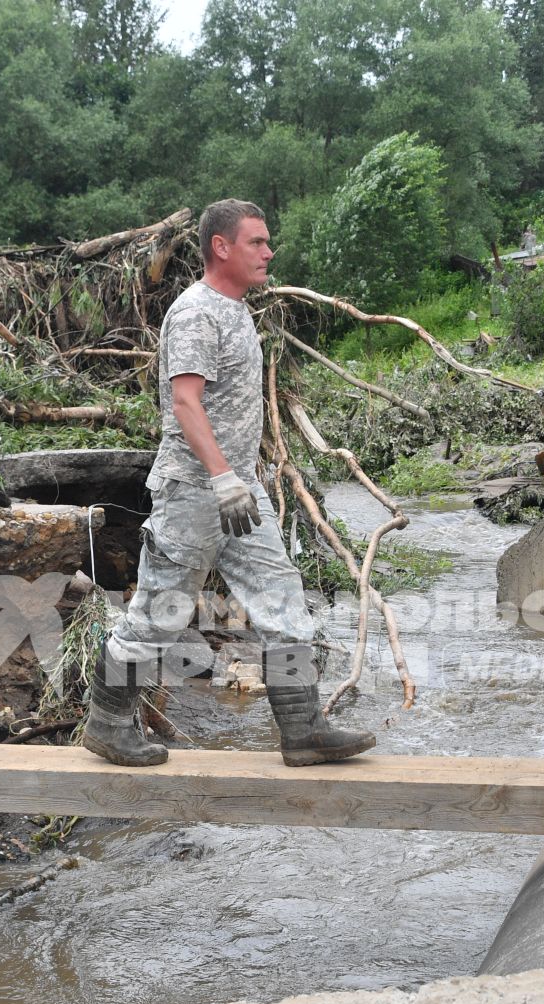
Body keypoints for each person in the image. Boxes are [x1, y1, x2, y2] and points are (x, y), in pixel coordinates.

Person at [83, 199, 377, 768]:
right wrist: (221, 479)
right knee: (161, 611)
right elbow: (185, 401)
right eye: (257, 242)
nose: (269, 252)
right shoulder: (197, 312)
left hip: (240, 492)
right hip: (196, 492)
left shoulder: (237, 309)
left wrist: (239, 481)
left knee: (282, 599)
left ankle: (303, 729)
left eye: (267, 243)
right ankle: (108, 722)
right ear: (222, 247)